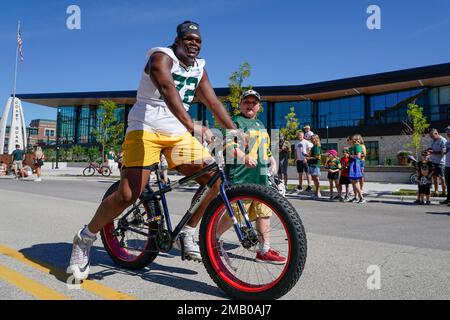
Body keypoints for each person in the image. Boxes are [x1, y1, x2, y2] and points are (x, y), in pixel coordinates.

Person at [68, 21, 239, 281]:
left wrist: (234, 131)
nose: (194, 43)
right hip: (144, 129)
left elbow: (212, 101)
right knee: (128, 195)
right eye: (189, 39)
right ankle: (86, 237)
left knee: (213, 179)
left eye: (198, 40)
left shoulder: (198, 69)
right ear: (178, 40)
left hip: (176, 134)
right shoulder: (160, 57)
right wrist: (192, 124)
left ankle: (188, 231)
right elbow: (168, 89)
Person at [219, 89, 285, 264]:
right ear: (240, 104)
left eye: (253, 103)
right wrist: (243, 157)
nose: (250, 105)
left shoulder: (260, 124)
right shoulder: (235, 122)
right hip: (241, 177)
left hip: (261, 179)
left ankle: (264, 250)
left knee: (264, 214)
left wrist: (272, 160)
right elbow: (227, 145)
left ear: (259, 107)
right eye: (246, 102)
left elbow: (265, 148)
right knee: (236, 215)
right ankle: (211, 239)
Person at [428, 128, 447, 197]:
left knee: (442, 177)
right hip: (432, 161)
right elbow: (430, 148)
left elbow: (443, 152)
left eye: (432, 136)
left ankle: (444, 192)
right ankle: (436, 191)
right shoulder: (432, 140)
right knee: (434, 177)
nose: (432, 138)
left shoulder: (443, 140)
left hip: (440, 162)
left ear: (436, 133)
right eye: (431, 136)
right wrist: (427, 150)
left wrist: (433, 152)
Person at [348, 134, 366, 203]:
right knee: (353, 182)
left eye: (350, 139)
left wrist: (351, 156)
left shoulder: (357, 146)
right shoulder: (351, 148)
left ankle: (361, 198)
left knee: (355, 182)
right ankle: (355, 197)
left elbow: (358, 156)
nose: (348, 141)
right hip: (351, 165)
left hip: (355, 165)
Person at [306, 134, 322, 199]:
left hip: (315, 165)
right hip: (311, 165)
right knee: (314, 179)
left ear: (316, 139)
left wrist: (309, 158)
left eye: (313, 139)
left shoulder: (317, 147)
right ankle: (316, 193)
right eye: (311, 139)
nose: (311, 140)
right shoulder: (313, 147)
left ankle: (318, 193)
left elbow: (318, 157)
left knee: (316, 179)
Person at [441, 126, 450, 206]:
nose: (447, 133)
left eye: (449, 131)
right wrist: (444, 151)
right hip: (447, 165)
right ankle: (448, 199)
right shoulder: (447, 142)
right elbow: (444, 153)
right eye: (447, 132)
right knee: (448, 183)